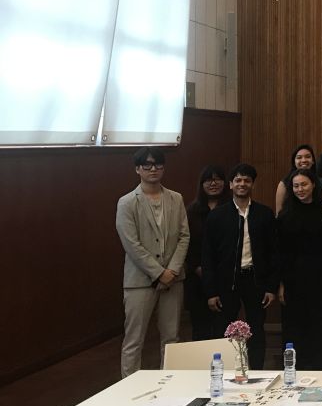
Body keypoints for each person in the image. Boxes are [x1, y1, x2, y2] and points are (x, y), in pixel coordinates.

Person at [116, 147, 190, 377]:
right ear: (137, 169)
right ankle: (130, 387)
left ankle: (169, 384)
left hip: (173, 279)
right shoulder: (127, 202)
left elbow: (184, 236)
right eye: (146, 165)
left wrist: (172, 270)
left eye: (157, 164)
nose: (153, 169)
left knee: (171, 338)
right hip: (140, 280)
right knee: (134, 339)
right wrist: (159, 273)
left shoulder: (176, 198)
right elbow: (131, 244)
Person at [202, 163, 278, 370]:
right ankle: (225, 371)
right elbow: (208, 255)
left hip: (255, 279)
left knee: (256, 328)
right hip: (226, 281)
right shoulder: (217, 216)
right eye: (238, 180)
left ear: (252, 184)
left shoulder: (264, 214)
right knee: (224, 328)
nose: (242, 184)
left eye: (247, 180)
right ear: (230, 184)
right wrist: (211, 291)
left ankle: (257, 371)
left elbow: (274, 252)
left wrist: (271, 287)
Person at [276, 168, 322, 370]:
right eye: (296, 186)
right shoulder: (284, 215)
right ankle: (294, 371)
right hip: (292, 280)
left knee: (319, 325)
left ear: (313, 185)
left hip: (320, 278)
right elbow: (280, 252)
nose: (300, 189)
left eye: (304, 184)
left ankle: (320, 369)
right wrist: (281, 284)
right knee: (294, 327)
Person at [185, 165, 227, 341]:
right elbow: (185, 242)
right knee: (200, 326)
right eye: (208, 180)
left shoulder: (232, 209)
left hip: (224, 276)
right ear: (201, 184)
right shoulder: (191, 211)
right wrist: (197, 266)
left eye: (217, 179)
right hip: (197, 276)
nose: (213, 183)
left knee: (223, 326)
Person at [274, 144, 322, 213]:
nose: (303, 160)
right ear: (294, 162)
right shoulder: (284, 183)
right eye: (299, 157)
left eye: (308, 157)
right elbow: (278, 213)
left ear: (313, 161)